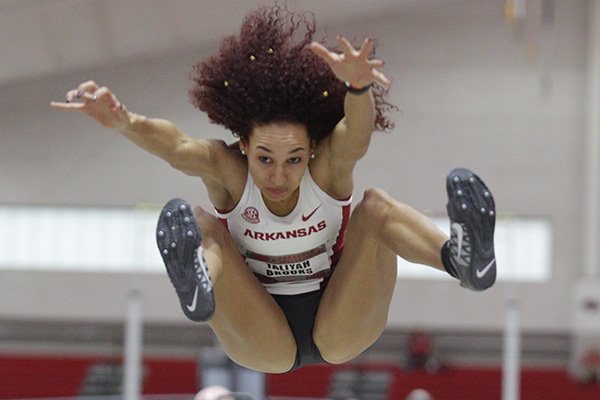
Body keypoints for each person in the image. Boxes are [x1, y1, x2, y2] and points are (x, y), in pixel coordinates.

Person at [51, 4, 496, 373]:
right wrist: (125, 121)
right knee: (202, 221)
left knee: (375, 206)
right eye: (264, 159)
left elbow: (356, 134)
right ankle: (199, 277)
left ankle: (462, 260)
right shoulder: (228, 172)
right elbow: (177, 146)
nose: (279, 176)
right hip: (260, 335)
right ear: (243, 145)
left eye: (294, 161)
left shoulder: (329, 173)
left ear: (313, 151)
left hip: (339, 322)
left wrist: (357, 87)